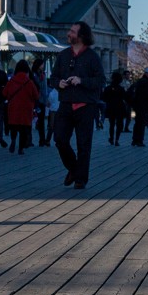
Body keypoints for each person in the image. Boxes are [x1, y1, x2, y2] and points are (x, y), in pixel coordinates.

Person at [50, 21, 106, 188]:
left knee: (83, 144)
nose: (69, 34)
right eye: (70, 30)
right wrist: (58, 83)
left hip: (86, 106)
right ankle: (74, 169)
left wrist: (81, 80)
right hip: (66, 104)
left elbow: (100, 80)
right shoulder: (63, 55)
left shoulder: (92, 57)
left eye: (73, 32)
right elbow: (53, 77)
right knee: (60, 139)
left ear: (82, 36)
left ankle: (81, 179)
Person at [3, 59, 40, 154]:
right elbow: (36, 96)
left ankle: (13, 140)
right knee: (24, 129)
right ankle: (21, 148)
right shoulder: (29, 82)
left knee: (14, 126)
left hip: (13, 107)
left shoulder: (12, 81)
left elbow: (4, 93)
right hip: (26, 108)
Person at [128, 68, 148, 147]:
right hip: (143, 105)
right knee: (141, 123)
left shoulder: (139, 81)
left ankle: (135, 140)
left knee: (138, 122)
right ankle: (139, 140)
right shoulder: (145, 83)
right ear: (146, 73)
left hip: (138, 105)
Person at [101, 70, 128, 146]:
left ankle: (111, 138)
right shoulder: (121, 89)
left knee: (111, 124)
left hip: (110, 107)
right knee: (119, 124)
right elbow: (125, 97)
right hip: (120, 107)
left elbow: (103, 98)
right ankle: (117, 139)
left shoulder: (108, 88)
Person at [31, 57, 50, 146]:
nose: (43, 66)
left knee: (41, 121)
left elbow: (45, 89)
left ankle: (42, 139)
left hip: (41, 101)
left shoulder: (42, 74)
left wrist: (46, 100)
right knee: (32, 120)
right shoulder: (33, 75)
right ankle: (30, 139)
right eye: (42, 64)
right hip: (34, 100)